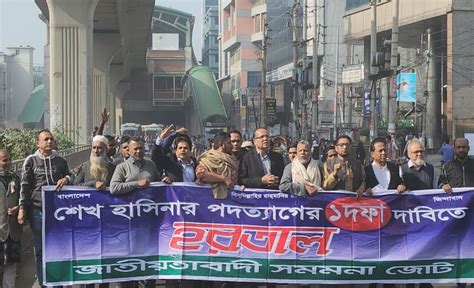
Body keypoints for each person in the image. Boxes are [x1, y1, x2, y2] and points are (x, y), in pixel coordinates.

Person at [19, 129, 71, 287]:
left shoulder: (61, 161)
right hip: (38, 211)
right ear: (38, 143)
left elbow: (72, 175)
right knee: (40, 250)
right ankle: (44, 283)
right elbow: (25, 186)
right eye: (46, 139)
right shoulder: (31, 161)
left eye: (51, 139)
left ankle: (58, 283)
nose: (49, 142)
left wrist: (67, 179)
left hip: (57, 213)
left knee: (58, 247)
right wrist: (22, 208)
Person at [0, 149, 22, 288]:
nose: (8, 163)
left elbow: (22, 197)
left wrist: (19, 207)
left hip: (13, 230)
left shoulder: (15, 178)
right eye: (4, 160)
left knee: (11, 265)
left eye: (9, 159)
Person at [195, 132, 239, 199]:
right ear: (221, 144)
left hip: (231, 200)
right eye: (229, 143)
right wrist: (223, 179)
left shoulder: (231, 159)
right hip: (209, 199)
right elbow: (201, 174)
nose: (232, 145)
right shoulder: (208, 158)